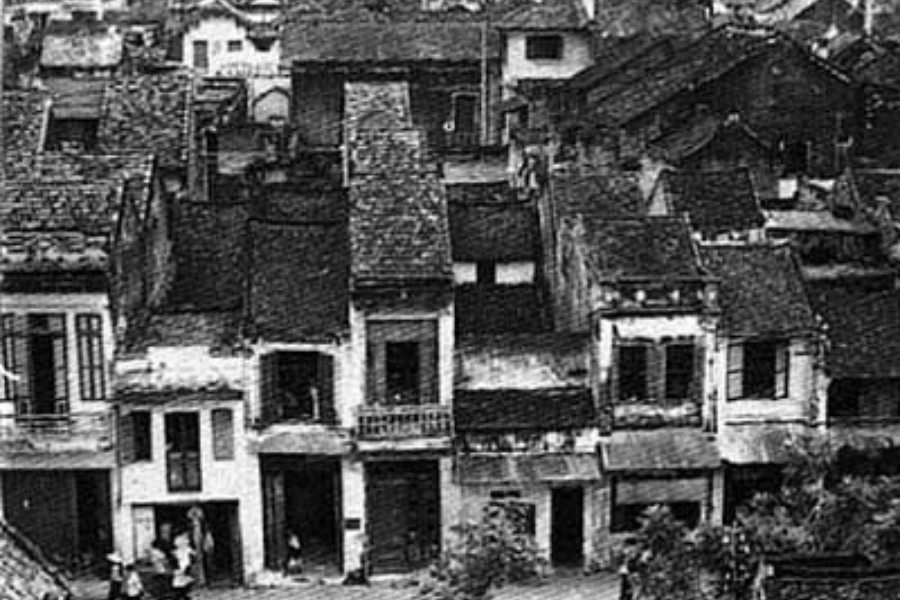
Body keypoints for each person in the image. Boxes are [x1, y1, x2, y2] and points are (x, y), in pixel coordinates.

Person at [171, 532, 195, 600]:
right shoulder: (180, 549)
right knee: (180, 580)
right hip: (182, 565)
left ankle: (182, 594)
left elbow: (193, 553)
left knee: (182, 579)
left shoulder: (185, 549)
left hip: (184, 564)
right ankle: (181, 594)